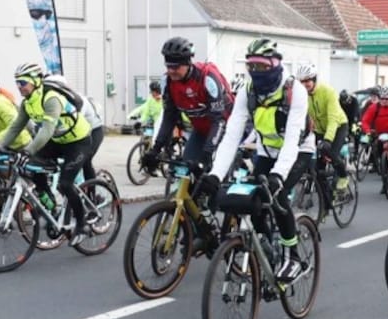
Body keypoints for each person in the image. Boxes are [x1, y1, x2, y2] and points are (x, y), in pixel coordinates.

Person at [200, 38, 314, 282]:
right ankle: (266, 245)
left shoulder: (295, 91)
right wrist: (215, 175)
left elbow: (293, 139)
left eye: (261, 66)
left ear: (275, 64)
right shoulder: (248, 90)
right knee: (251, 199)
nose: (255, 72)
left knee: (278, 197)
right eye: (251, 66)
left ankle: (293, 256)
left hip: (298, 151)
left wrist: (278, 175)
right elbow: (231, 136)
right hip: (266, 151)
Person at [0, 62, 94, 246]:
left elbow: (47, 130)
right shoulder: (27, 103)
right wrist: (0, 147)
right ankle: (51, 203)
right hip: (58, 142)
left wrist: (28, 151)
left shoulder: (51, 98)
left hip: (78, 142)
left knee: (66, 184)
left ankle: (82, 225)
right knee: (33, 169)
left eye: (23, 82)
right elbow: (15, 127)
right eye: (17, 82)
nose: (19, 87)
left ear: (35, 81)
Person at [142, 36, 230, 173]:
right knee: (186, 167)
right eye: (168, 66)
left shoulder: (207, 78)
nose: (171, 71)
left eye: (176, 67)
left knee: (215, 174)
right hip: (201, 130)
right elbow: (169, 117)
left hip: (225, 129)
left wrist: (207, 153)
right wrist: (155, 149)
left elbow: (218, 120)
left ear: (188, 63)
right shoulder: (167, 81)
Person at [295, 63, 350, 191]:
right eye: (301, 82)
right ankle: (325, 203)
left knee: (331, 154)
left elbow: (333, 118)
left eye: (307, 81)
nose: (304, 85)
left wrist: (328, 140)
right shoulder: (302, 95)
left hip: (338, 125)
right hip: (318, 129)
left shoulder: (328, 92)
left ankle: (343, 176)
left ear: (314, 79)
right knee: (316, 167)